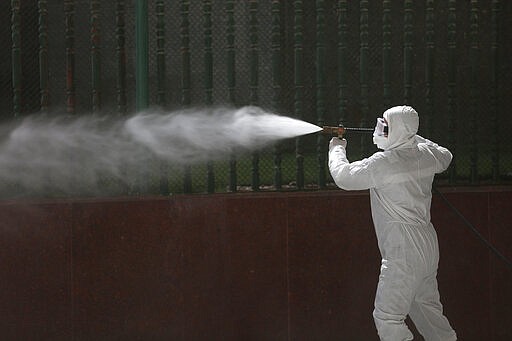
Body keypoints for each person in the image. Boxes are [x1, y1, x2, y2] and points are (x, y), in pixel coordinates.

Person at [328, 105, 457, 341]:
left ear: (397, 130)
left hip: (403, 251)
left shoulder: (385, 163)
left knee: (387, 318)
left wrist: (337, 148)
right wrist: (411, 135)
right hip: (427, 246)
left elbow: (344, 177)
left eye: (385, 127)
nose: (380, 130)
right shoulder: (425, 154)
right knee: (428, 313)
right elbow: (446, 155)